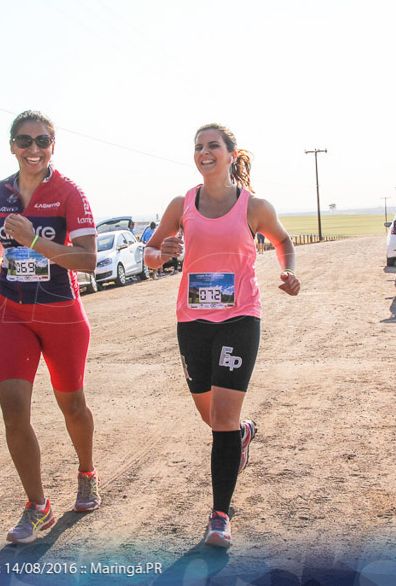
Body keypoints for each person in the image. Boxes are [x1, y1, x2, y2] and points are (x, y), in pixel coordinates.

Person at [143, 123, 300, 548]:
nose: (205, 152)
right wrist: (163, 252)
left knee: (222, 421)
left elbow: (283, 240)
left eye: (214, 146)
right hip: (192, 320)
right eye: (198, 147)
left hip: (239, 318)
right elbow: (151, 256)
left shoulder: (254, 207)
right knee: (212, 418)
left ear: (232, 154)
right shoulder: (182, 204)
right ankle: (243, 434)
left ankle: (220, 514)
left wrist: (288, 269)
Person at [0, 110, 100, 545]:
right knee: (13, 410)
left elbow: (87, 260)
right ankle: (38, 505)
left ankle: (86, 472)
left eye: (42, 141)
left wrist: (33, 241)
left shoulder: (70, 193)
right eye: (24, 141)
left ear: (53, 146)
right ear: (12, 145)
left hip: (61, 312)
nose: (33, 149)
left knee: (73, 408)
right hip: (12, 311)